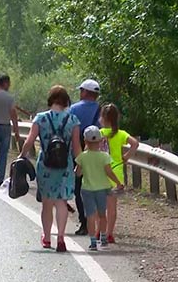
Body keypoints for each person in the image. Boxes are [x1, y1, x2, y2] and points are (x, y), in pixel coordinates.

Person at [20, 85, 82, 252]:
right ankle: (61, 238)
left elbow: (30, 140)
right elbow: (77, 148)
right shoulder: (73, 120)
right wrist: (82, 165)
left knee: (47, 203)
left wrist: (22, 156)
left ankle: (47, 238)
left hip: (46, 165)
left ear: (50, 100)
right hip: (66, 165)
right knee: (62, 201)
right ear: (66, 101)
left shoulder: (41, 118)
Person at [75, 126, 124, 251]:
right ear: (101, 141)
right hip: (103, 189)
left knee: (91, 215)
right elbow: (109, 172)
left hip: (87, 190)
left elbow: (78, 173)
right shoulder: (104, 156)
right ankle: (103, 237)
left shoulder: (82, 157)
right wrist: (118, 182)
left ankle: (92, 241)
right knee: (102, 214)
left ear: (85, 141)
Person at [100, 103, 139, 243]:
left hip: (101, 172)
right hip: (116, 173)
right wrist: (126, 156)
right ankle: (110, 233)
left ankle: (100, 231)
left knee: (100, 206)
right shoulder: (121, 134)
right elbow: (135, 143)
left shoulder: (99, 134)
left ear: (103, 117)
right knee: (112, 207)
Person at [69, 79, 102, 236]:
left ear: (84, 92)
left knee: (79, 188)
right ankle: (99, 223)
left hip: (78, 153)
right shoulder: (102, 110)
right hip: (98, 155)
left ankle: (85, 223)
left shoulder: (74, 109)